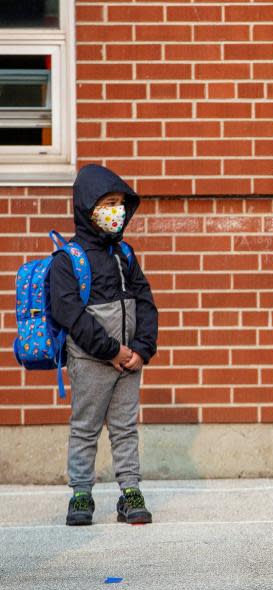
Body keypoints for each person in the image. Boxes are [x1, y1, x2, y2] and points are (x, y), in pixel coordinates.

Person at [51, 165, 158, 525]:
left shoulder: (124, 254)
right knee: (86, 427)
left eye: (120, 204)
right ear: (87, 207)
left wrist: (141, 348)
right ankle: (81, 493)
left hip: (129, 360)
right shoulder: (68, 259)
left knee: (126, 427)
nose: (117, 211)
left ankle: (130, 490)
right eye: (108, 203)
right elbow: (71, 315)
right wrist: (112, 350)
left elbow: (145, 301)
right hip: (93, 359)